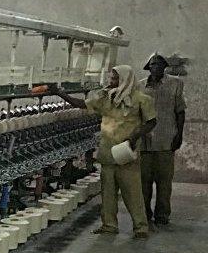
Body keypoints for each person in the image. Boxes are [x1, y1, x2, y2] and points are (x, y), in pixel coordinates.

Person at [51, 65, 156, 238]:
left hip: (125, 153)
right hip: (107, 152)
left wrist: (136, 135)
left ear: (125, 79)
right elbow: (82, 104)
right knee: (107, 193)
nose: (111, 81)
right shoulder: (106, 98)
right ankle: (109, 225)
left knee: (132, 192)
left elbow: (151, 122)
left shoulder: (141, 99)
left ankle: (141, 227)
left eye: (115, 78)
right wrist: (59, 93)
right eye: (111, 78)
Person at [139, 53, 186, 225]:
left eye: (159, 64)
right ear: (148, 67)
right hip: (144, 142)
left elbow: (180, 111)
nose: (156, 67)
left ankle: (162, 214)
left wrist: (179, 134)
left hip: (166, 140)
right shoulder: (140, 87)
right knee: (144, 181)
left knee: (164, 182)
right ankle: (144, 213)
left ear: (165, 67)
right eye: (153, 64)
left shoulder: (175, 84)